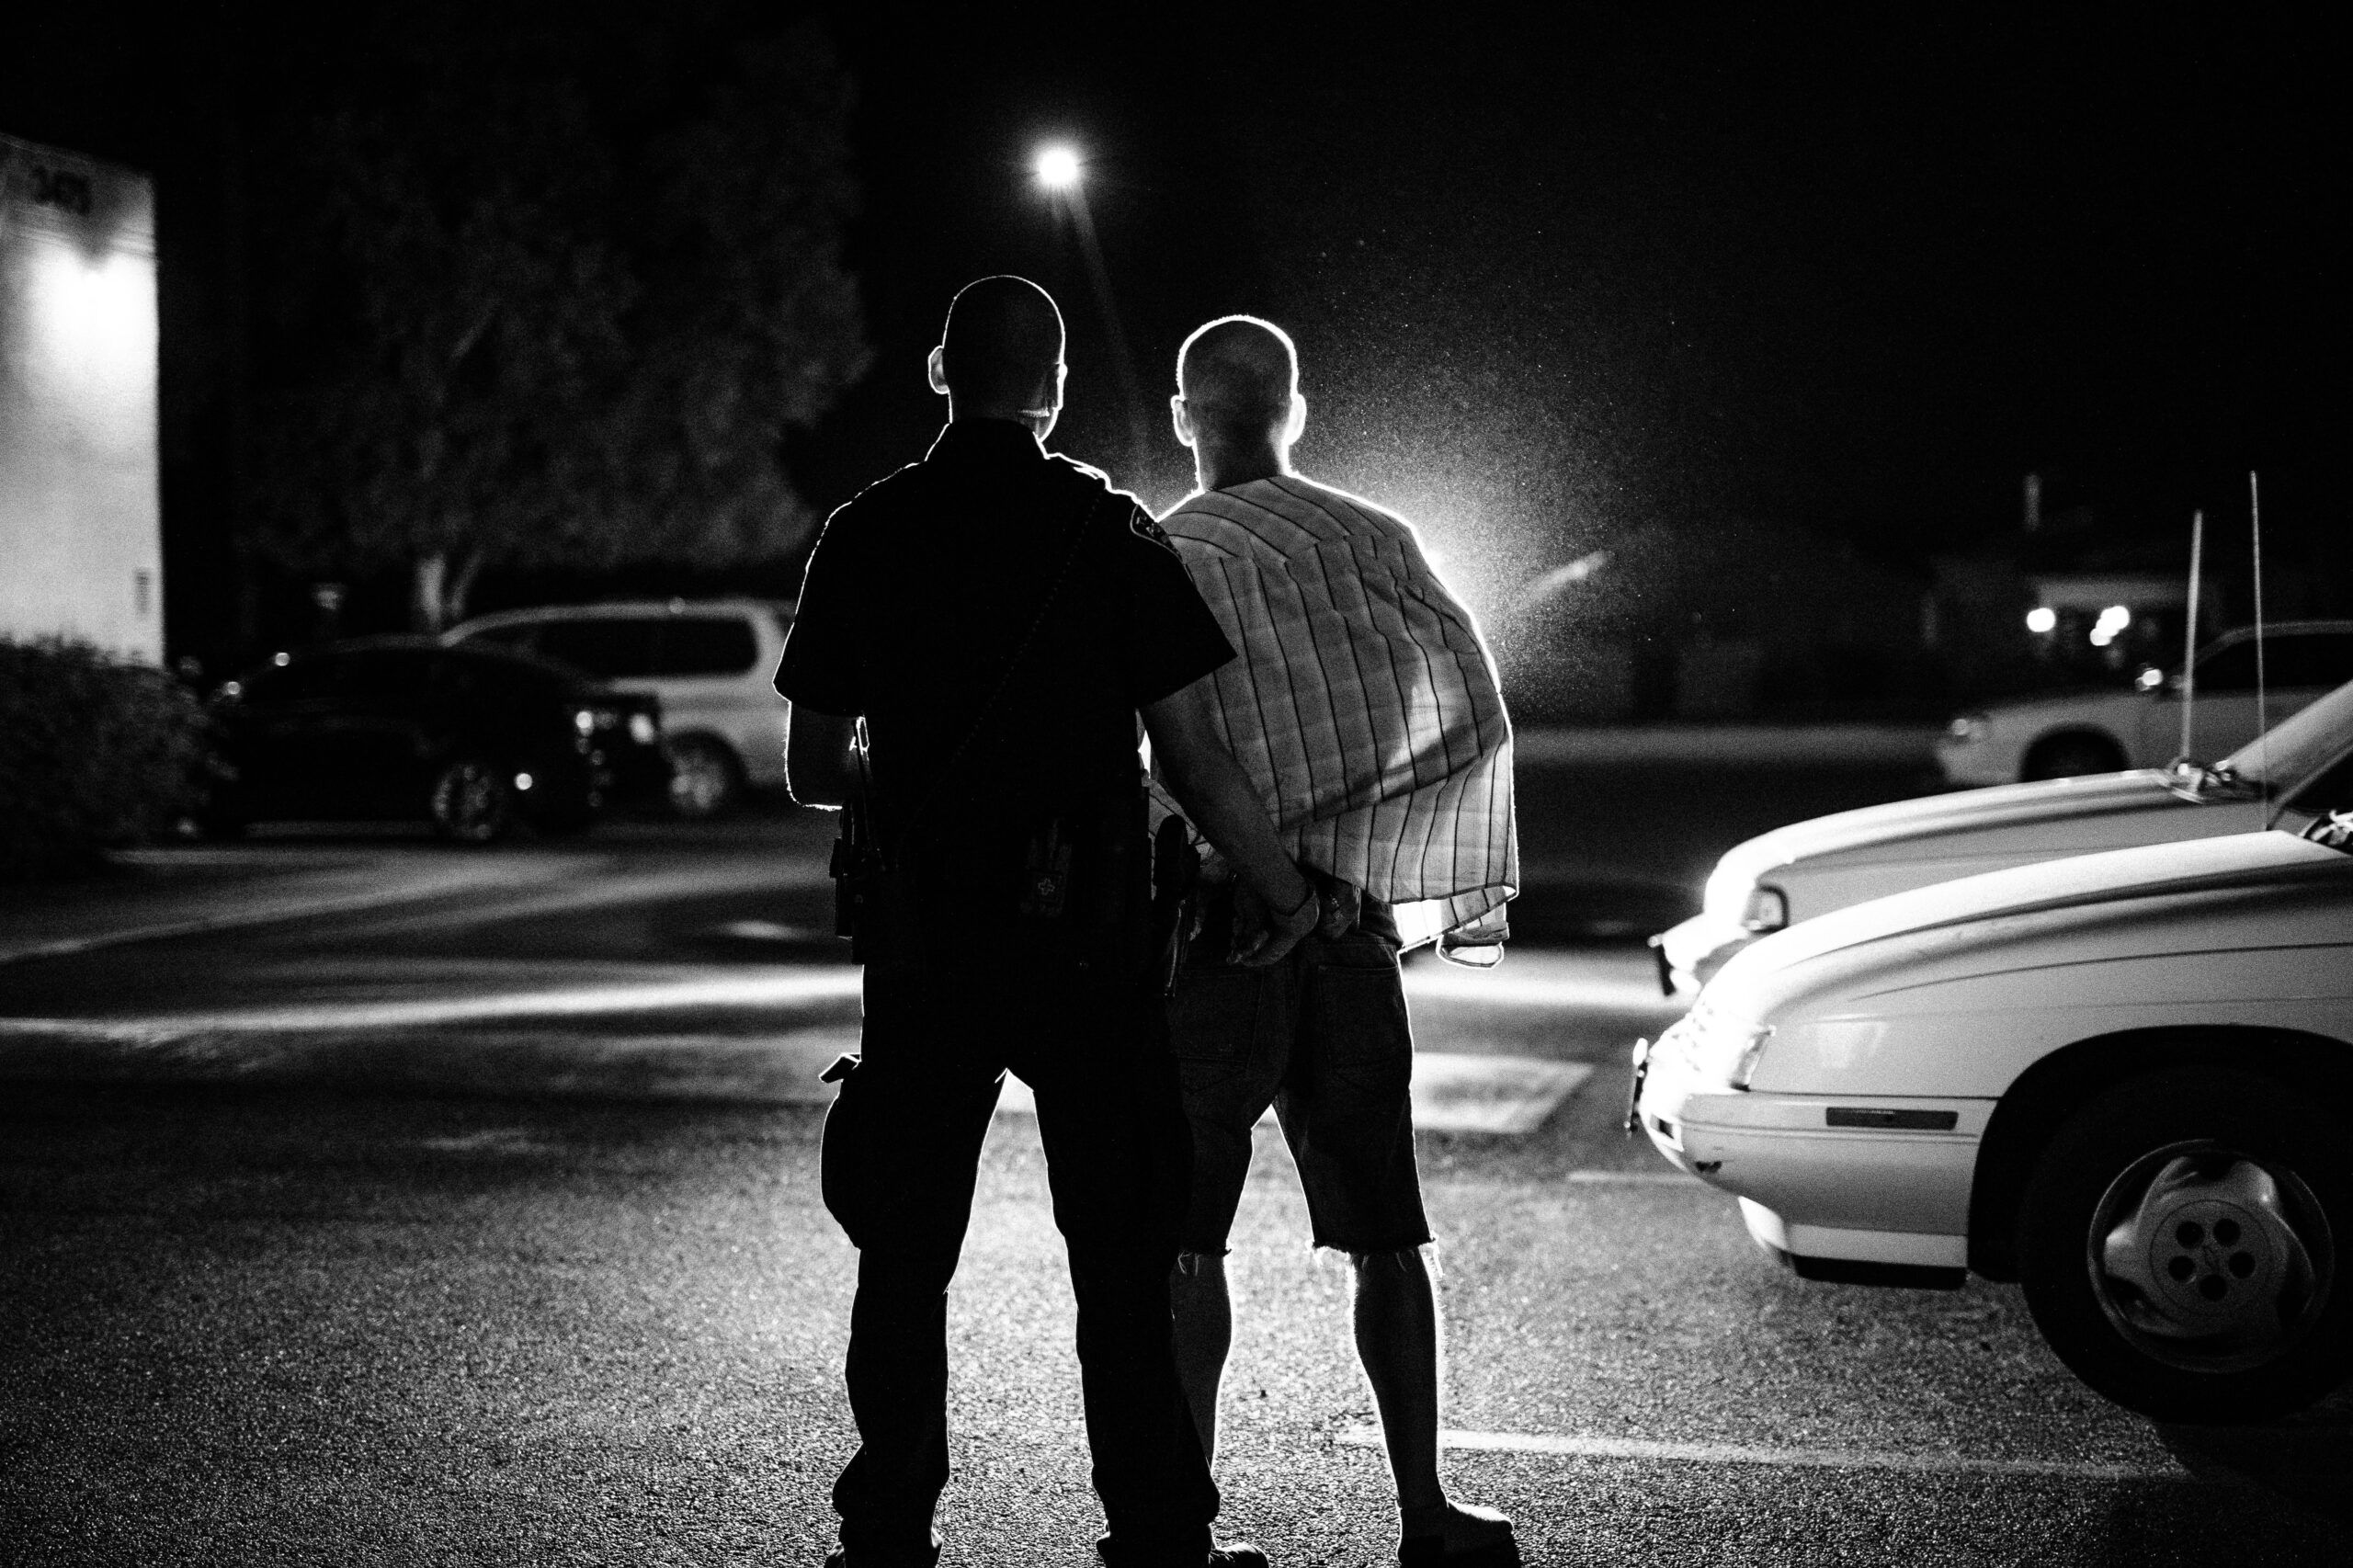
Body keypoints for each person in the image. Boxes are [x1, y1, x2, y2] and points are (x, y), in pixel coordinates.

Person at [775, 278, 1322, 1568]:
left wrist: (909, 778)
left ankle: (889, 1526)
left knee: (904, 1254)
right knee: (1120, 1259)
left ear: (937, 372)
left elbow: (809, 764)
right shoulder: (1112, 530)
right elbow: (1189, 754)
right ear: (1059, 386)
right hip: (1089, 941)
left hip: (928, 941)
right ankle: (1155, 1533)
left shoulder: (868, 530)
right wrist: (1285, 892)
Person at [1153, 316, 1520, 1568]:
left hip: (1219, 934)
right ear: (1295, 411)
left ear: (1181, 415)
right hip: (1352, 923)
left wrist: (1241, 856)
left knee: (1184, 1231)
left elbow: (1168, 755)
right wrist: (1366, 850)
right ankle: (1424, 1509)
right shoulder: (1373, 537)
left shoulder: (1165, 549)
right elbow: (1467, 710)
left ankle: (1181, 1528)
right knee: (1386, 1228)